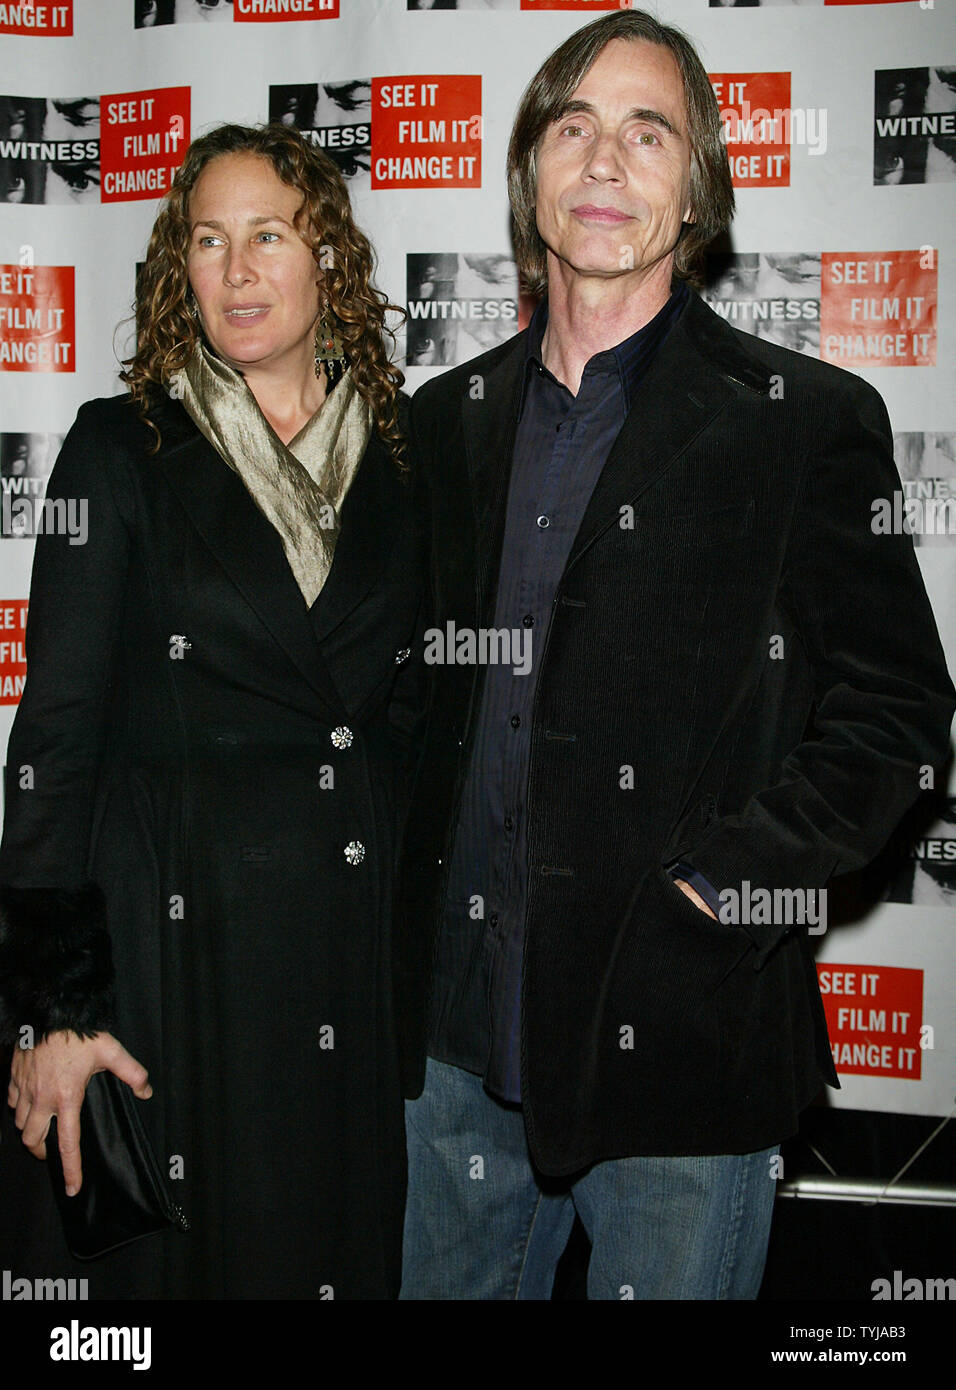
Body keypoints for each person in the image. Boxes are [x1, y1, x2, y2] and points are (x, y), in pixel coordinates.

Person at [396, 10, 955, 1300]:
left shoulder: (801, 424)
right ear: (528, 167)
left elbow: (895, 713)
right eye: (572, 126)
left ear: (696, 185)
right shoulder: (440, 426)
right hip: (451, 1052)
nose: (604, 162)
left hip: (684, 1055)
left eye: (646, 133)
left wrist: (727, 889)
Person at [0, 122, 423, 1299]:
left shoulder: (398, 463)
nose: (237, 270)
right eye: (207, 240)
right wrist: (51, 1010)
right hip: (168, 952)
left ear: (325, 259)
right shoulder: (119, 450)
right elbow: (52, 745)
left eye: (269, 236)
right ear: (177, 269)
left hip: (334, 968)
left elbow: (407, 721)